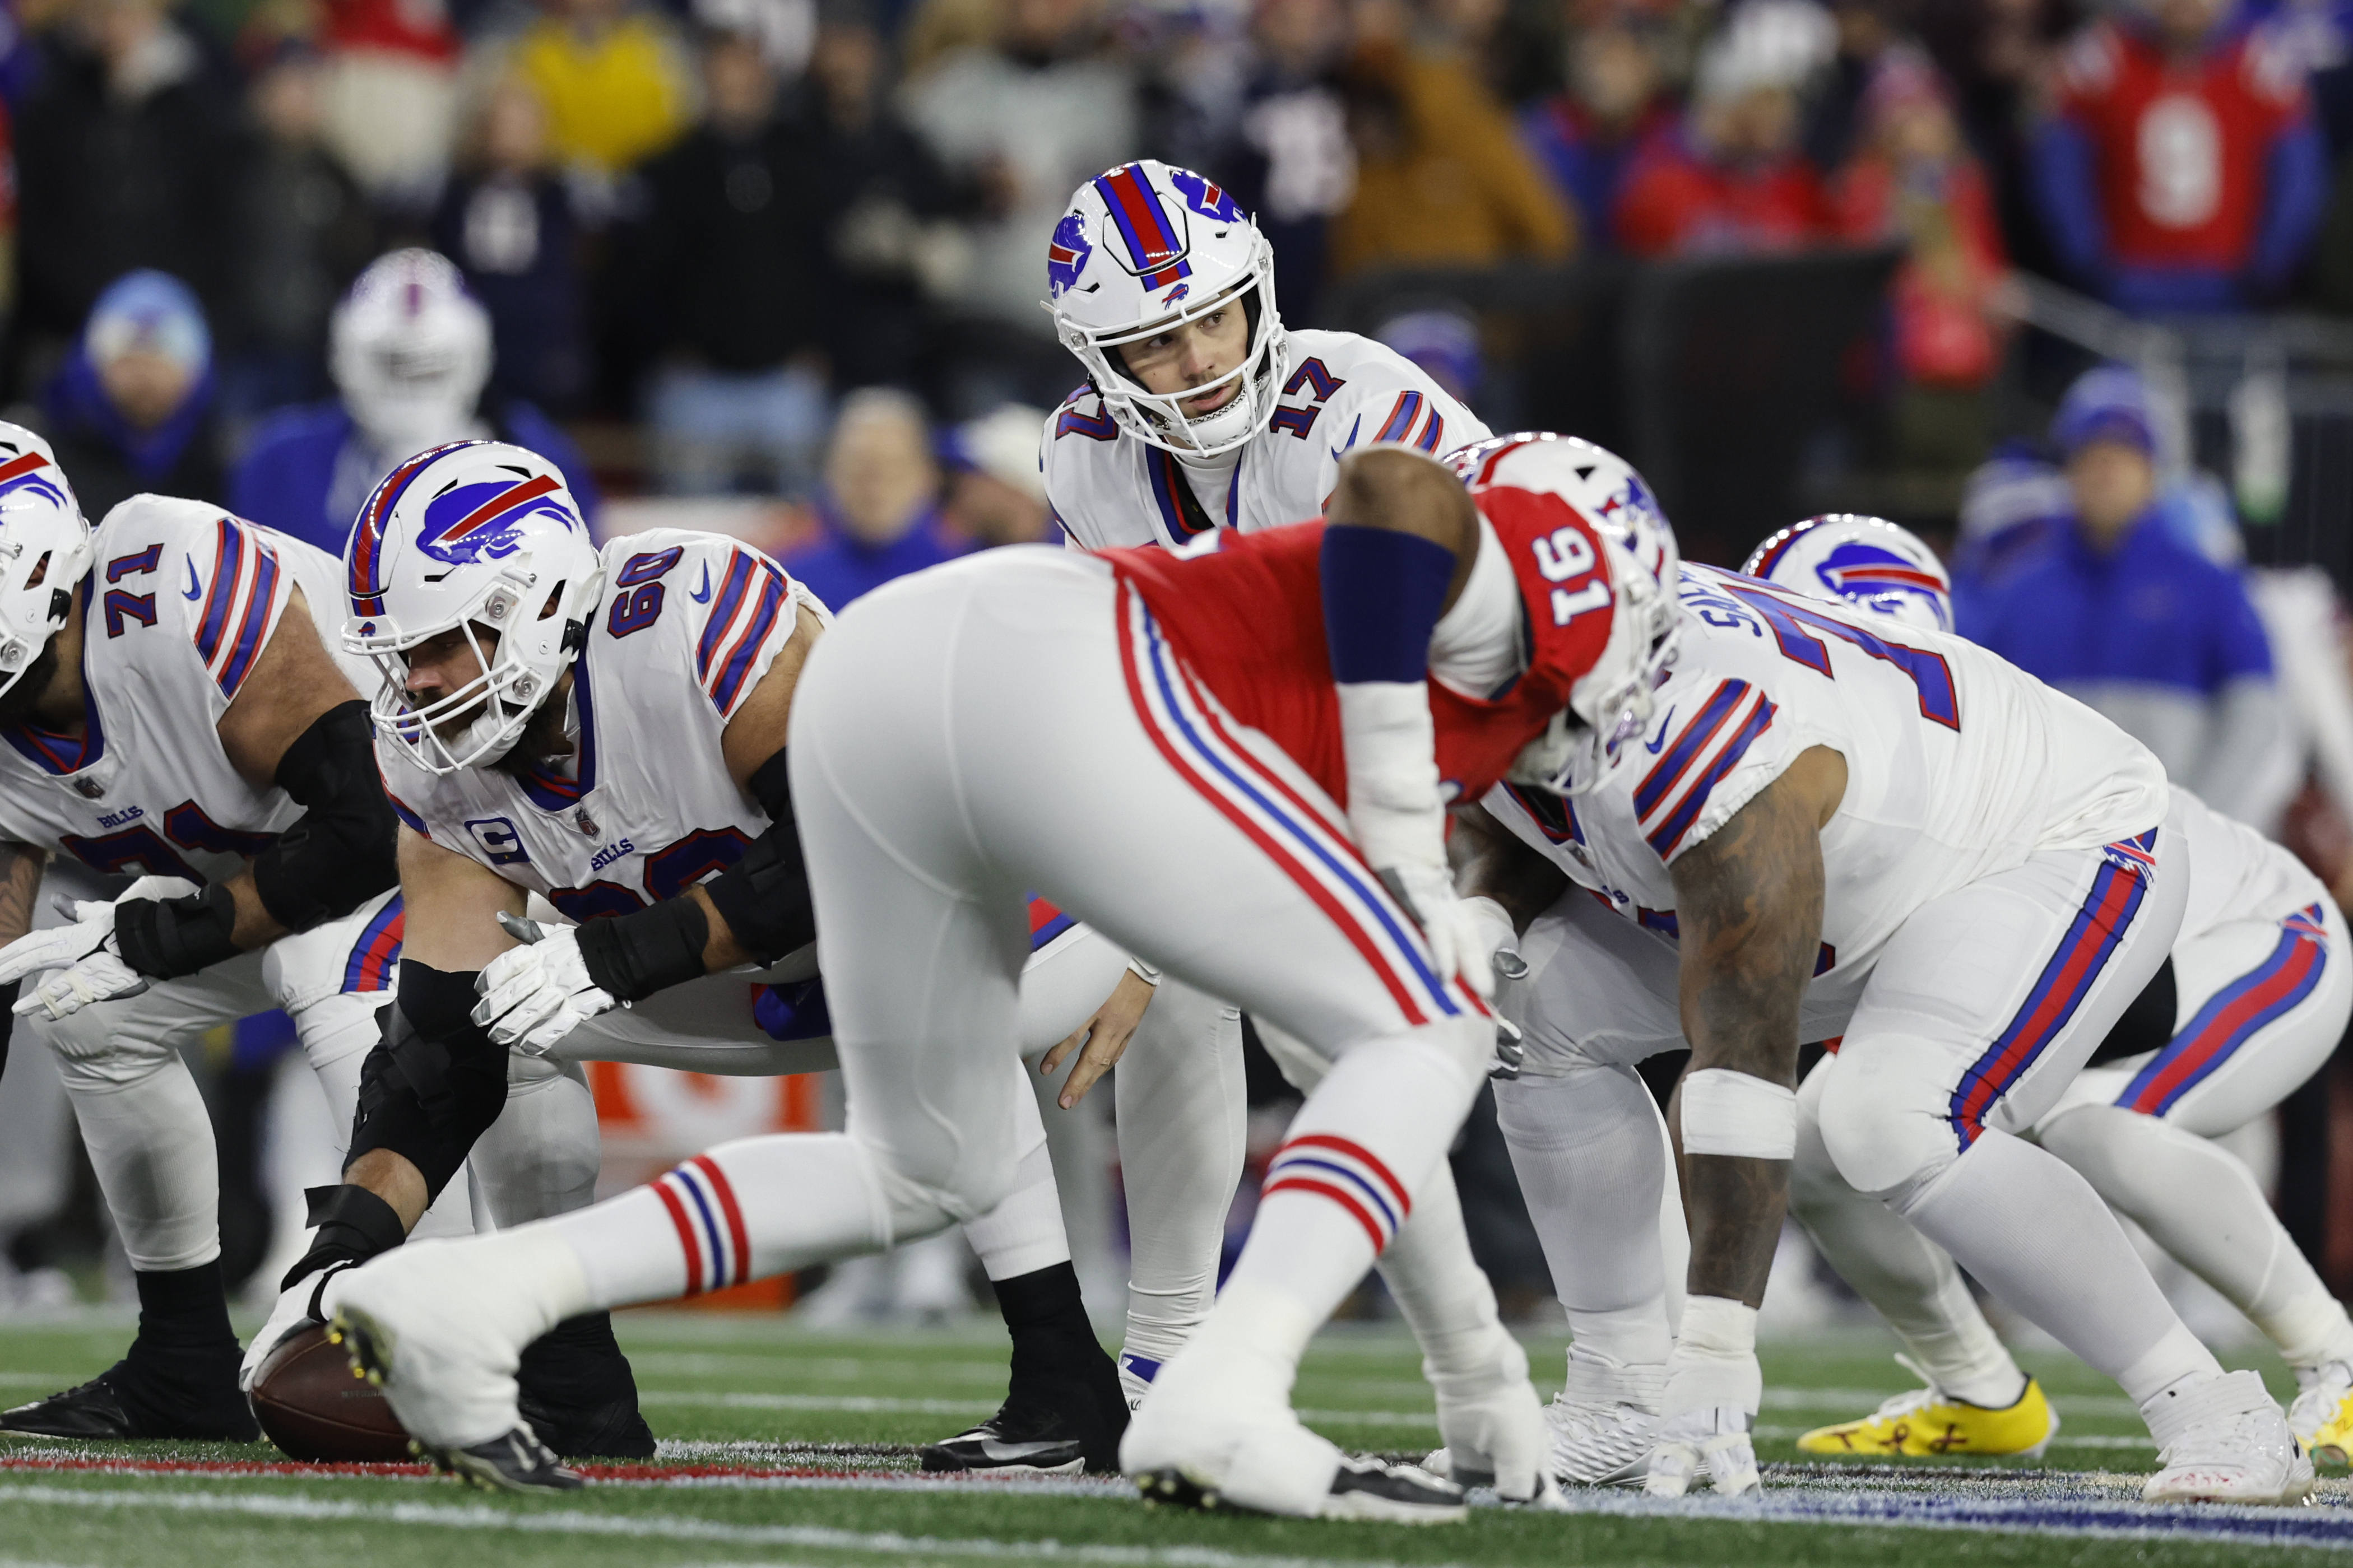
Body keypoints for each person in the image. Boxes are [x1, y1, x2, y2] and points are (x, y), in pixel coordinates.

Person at [327, 432, 1672, 1515]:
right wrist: (1389, 812)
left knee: (926, 1163)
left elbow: (1356, 1065)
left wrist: (1474, 1382)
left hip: (909, 672)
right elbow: (1391, 492)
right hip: (1066, 670)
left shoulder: (1501, 719)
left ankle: (468, 1297)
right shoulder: (1552, 587)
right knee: (1422, 1017)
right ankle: (1222, 1390)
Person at [249, 438, 1151, 1477]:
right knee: (494, 1011)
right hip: (753, 973)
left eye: (443, 644)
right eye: (401, 658)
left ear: (533, 599)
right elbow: (436, 1055)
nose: (419, 684)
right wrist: (342, 1251)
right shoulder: (430, 761)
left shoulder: (682, 614)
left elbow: (848, 842)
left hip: (997, 909)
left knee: (936, 1016)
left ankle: (1074, 1371)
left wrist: (622, 953)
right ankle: (573, 1387)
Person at [1450, 471, 2310, 1503]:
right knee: (1530, 1009)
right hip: (1848, 865)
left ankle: (2213, 1408)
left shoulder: (1714, 739)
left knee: (1885, 1117)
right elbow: (1510, 801)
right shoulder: (1476, 644)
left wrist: (1718, 1362)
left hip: (2044, 838)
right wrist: (1482, 912)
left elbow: (1738, 1051)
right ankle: (1617, 1395)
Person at [1042, 159, 1524, 1420]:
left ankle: (1501, 1370)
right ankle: (1161, 1352)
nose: (1198, 358)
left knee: (1339, 1030)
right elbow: (1147, 695)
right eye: (1152, 341)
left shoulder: (1362, 402)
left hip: (1471, 754)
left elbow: (1478, 643)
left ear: (1258, 292)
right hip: (1268, 774)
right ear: (1097, 361)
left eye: (1213, 316)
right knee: (1145, 957)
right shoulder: (1083, 461)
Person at [1733, 515, 2353, 1470]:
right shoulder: (1864, 754)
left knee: (2093, 1124)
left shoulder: (1940, 752)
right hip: (2104, 981)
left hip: (2260, 934)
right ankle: (1975, 1386)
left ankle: (2337, 1362)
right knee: (1818, 1136)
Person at [0, 423, 414, 1443]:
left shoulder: (167, 577)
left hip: (436, 844)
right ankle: (182, 1360)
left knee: (330, 969)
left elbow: (363, 826)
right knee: (75, 1000)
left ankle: (427, 1331)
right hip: (258, 873)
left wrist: (174, 936)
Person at [1959, 364, 2283, 827]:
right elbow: (1976, 715)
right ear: (2067, 469)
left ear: (2153, 471)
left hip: (2177, 847)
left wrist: (2189, 820)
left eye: (2124, 452)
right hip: (2044, 852)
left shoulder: (2209, 585)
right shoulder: (2018, 590)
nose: (2106, 468)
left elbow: (2256, 714)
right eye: (2091, 453)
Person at [230, 250, 597, 560]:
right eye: (393, 364)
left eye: (429, 367)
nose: (410, 386)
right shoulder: (279, 461)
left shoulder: (535, 451)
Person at [632, 22, 828, 497]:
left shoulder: (804, 162)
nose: (736, 87)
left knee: (802, 525)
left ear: (767, 81)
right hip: (696, 384)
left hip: (786, 380)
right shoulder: (668, 168)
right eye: (725, 73)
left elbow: (824, 264)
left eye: (747, 73)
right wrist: (667, 348)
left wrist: (819, 347)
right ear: (705, 79)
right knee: (694, 536)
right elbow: (637, 276)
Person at [2031, 0, 2326, 313]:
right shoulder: (2101, 61)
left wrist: (2269, 266)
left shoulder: (2262, 65)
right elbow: (2060, 173)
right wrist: (2089, 261)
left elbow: (2298, 180)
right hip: (2128, 287)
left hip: (2230, 287)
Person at [780, 389, 965, 609]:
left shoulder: (964, 580)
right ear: (830, 474)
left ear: (928, 477)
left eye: (892, 472)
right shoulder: (788, 588)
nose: (875, 493)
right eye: (860, 473)